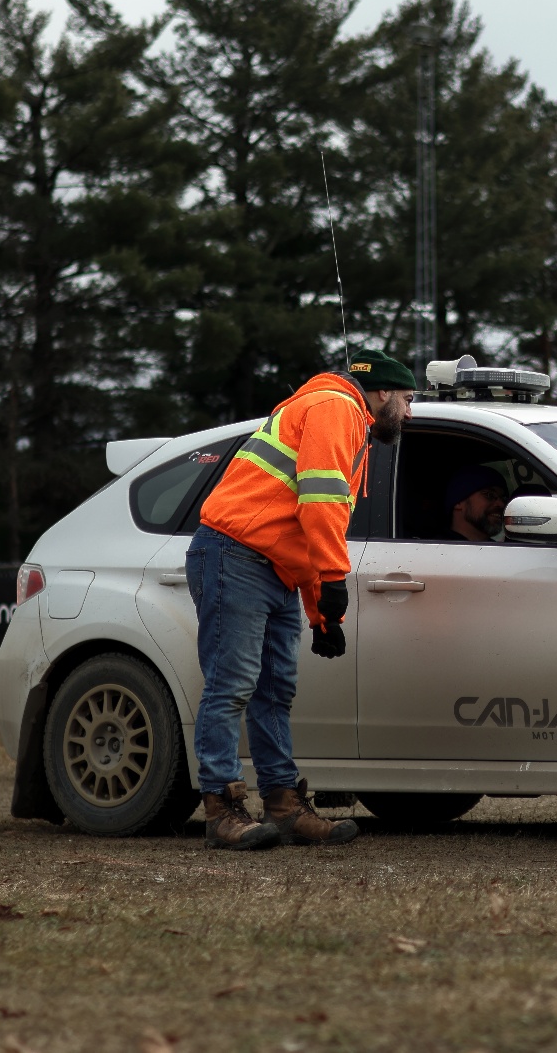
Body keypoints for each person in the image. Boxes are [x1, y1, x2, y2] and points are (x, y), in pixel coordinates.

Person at [187, 347, 416, 850]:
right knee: (233, 686)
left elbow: (309, 525)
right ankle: (220, 809)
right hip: (236, 555)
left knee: (272, 692)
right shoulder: (338, 408)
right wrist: (334, 579)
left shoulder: (340, 414)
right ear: (382, 393)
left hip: (266, 564)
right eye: (407, 398)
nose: (410, 411)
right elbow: (321, 501)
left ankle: (284, 806)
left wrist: (320, 616)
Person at [444, 466, 507, 541]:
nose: (502, 504)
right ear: (458, 502)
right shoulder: (436, 549)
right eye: (489, 495)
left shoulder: (502, 550)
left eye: (503, 499)